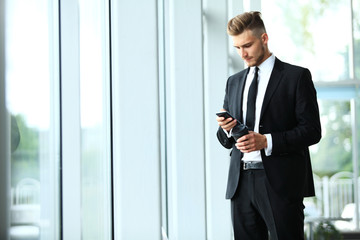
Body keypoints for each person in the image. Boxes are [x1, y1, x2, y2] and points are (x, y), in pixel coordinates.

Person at [216, 11, 321, 240]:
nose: (242, 54)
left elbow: (312, 131)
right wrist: (226, 128)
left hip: (280, 183)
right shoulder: (234, 82)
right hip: (240, 183)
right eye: (237, 48)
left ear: (264, 38)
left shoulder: (296, 77)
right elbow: (226, 141)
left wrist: (266, 141)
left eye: (247, 45)